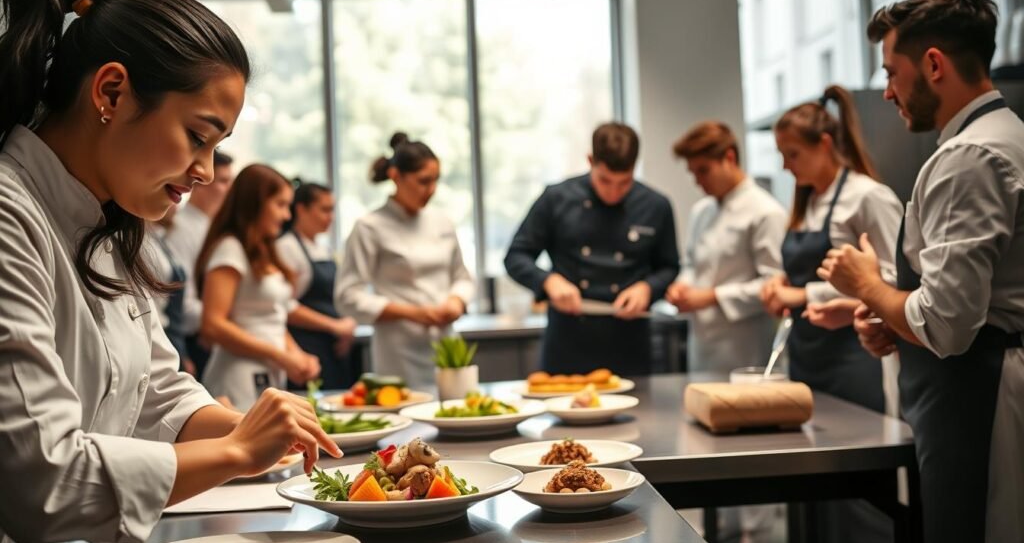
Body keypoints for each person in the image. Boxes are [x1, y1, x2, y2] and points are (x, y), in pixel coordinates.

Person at [0, 0, 339, 543]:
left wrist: (259, 430)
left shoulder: (106, 225)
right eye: (198, 137)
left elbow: (160, 391)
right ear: (111, 92)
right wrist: (237, 449)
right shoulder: (11, 215)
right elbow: (46, 481)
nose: (206, 172)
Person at [820, 0, 1024, 543]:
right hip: (968, 391)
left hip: (980, 402)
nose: (886, 91)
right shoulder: (999, 138)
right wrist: (891, 316)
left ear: (933, 64)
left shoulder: (970, 157)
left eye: (891, 71)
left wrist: (866, 286)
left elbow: (950, 325)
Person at [759, 85, 903, 415]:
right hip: (805, 355)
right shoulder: (805, 202)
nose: (785, 167)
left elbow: (896, 279)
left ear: (824, 145)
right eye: (781, 155)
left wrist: (803, 295)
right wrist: (780, 284)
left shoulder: (867, 197)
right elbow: (803, 268)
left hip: (855, 357)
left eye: (792, 154)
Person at [505, 122, 680, 376]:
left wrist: (648, 288)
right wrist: (548, 281)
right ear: (590, 160)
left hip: (629, 345)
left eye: (624, 183)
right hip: (568, 345)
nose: (613, 192)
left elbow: (669, 266)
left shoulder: (656, 206)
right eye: (605, 180)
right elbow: (515, 256)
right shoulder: (556, 198)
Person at [335, 132, 474, 389]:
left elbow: (462, 277)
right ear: (396, 176)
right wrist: (414, 313)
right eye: (423, 181)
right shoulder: (370, 227)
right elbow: (347, 296)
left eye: (435, 181)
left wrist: (456, 300)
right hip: (399, 352)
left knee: (456, 412)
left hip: (447, 344)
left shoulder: (441, 221)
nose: (431, 190)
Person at [197, 164, 322, 410]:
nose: (287, 216)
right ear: (255, 203)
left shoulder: (262, 250)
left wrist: (297, 355)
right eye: (280, 205)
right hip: (237, 378)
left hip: (268, 374)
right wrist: (280, 356)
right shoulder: (230, 249)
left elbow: (272, 317)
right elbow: (212, 325)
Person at [666, 121, 787, 374]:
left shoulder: (765, 212)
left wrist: (712, 297)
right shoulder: (702, 211)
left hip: (744, 346)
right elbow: (691, 264)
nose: (697, 181)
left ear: (729, 158)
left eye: (703, 170)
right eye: (693, 173)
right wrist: (682, 285)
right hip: (701, 343)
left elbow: (774, 285)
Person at [277, 181, 357, 389]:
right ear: (301, 209)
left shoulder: (324, 248)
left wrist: (346, 327)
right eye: (324, 210)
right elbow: (285, 307)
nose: (330, 217)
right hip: (307, 348)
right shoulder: (287, 248)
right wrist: (333, 325)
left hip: (334, 350)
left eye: (332, 210)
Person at [165, 149, 234, 378]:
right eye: (223, 181)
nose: (229, 189)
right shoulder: (182, 229)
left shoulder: (213, 227)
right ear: (200, 182)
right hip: (195, 338)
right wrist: (223, 318)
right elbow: (181, 297)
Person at [144, 205, 190, 371]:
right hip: (159, 335)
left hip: (170, 337)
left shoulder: (157, 237)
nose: (176, 206)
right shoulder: (143, 243)